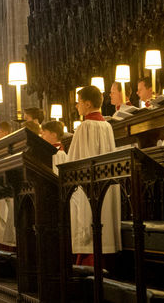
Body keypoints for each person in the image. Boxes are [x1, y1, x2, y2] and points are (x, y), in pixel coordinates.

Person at [68, 85, 121, 265]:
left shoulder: (84, 127)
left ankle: (87, 262)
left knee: (88, 221)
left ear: (88, 104)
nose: (77, 106)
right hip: (104, 183)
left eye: (79, 102)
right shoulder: (107, 126)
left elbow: (73, 162)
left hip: (87, 186)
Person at [0, 121, 15, 252]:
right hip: (0, 185)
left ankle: (6, 248)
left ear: (5, 133)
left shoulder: (10, 146)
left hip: (7, 185)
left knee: (5, 218)